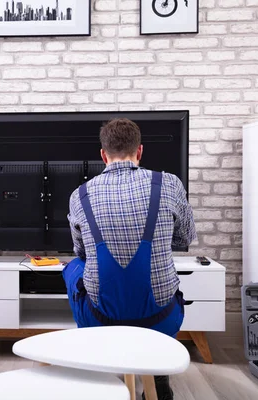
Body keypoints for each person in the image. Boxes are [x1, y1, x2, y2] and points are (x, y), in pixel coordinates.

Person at [63, 118, 196, 400]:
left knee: (72, 267)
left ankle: (100, 370)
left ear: (103, 155)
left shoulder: (80, 195)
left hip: (100, 321)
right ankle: (158, 374)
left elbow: (82, 253)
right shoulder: (170, 184)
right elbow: (184, 239)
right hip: (162, 321)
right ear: (140, 151)